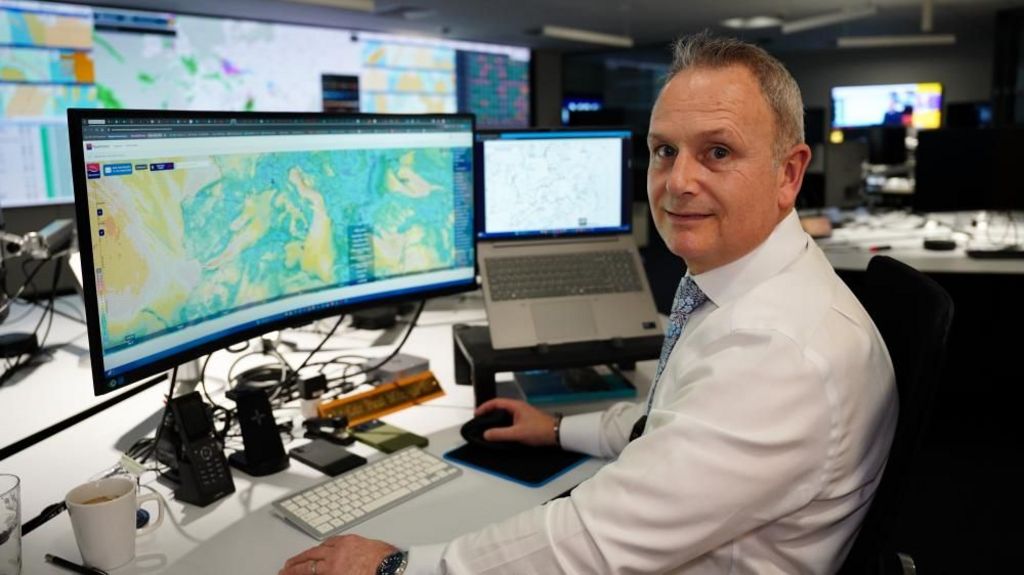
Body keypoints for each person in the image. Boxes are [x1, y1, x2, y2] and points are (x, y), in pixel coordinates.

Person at [280, 31, 897, 575]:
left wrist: (396, 567)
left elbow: (594, 543)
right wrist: (558, 428)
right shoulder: (743, 283)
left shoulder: (777, 350)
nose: (678, 182)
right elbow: (677, 428)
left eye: (718, 152)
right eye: (664, 150)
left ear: (789, 174)